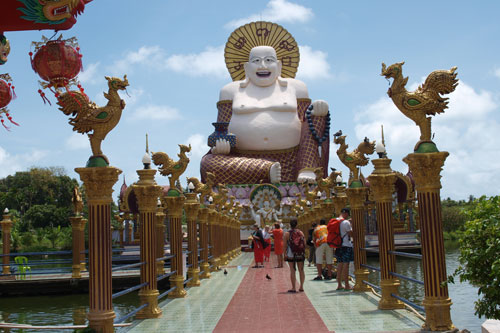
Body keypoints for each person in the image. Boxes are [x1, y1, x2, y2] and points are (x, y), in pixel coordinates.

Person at [201, 22, 330, 185]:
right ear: (247, 67)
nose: (263, 65)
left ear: (279, 65)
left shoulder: (296, 87)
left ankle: (307, 168)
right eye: (256, 61)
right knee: (208, 164)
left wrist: (318, 109)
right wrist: (221, 146)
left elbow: (307, 128)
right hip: (244, 162)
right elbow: (221, 129)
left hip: (293, 161)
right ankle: (265, 169)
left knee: (317, 114)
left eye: (269, 60)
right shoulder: (230, 91)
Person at [284, 219, 306, 292]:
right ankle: (301, 286)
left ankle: (293, 287)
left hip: (291, 253)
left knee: (292, 270)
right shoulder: (301, 232)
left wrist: (285, 254)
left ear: (290, 225)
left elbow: (285, 245)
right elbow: (304, 243)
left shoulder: (287, 233)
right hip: (300, 253)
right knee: (301, 270)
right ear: (297, 224)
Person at [335, 208, 353, 290]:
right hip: (346, 245)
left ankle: (339, 284)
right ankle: (346, 284)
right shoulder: (346, 222)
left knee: (339, 264)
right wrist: (351, 224)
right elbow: (351, 234)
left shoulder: (336, 221)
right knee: (346, 265)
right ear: (346, 214)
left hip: (338, 246)